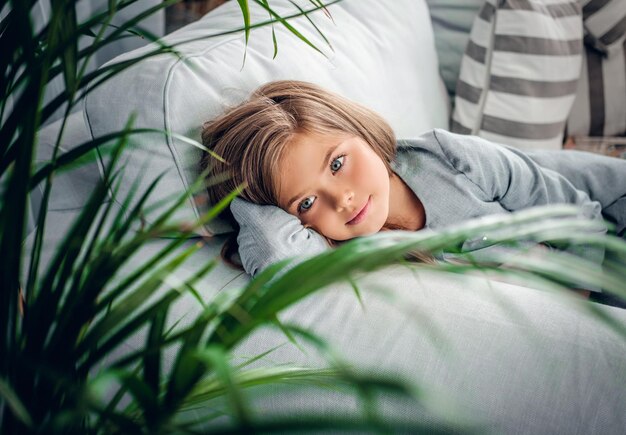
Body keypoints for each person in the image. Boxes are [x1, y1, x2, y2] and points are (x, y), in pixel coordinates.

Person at [200, 80, 626, 304]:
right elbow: (278, 266)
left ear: (359, 131)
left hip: (607, 229)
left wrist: (580, 303)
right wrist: (246, 189)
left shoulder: (447, 157)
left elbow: (576, 212)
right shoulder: (341, 250)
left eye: (337, 163)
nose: (342, 200)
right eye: (307, 202)